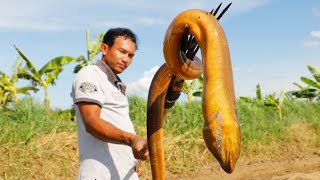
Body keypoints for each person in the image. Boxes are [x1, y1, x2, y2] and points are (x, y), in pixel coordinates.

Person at [71, 27, 149, 179]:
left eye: (130, 55)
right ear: (104, 48)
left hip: (123, 173)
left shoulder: (115, 84)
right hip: (100, 174)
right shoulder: (90, 74)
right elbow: (92, 122)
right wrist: (132, 139)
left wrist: (131, 161)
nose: (126, 59)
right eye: (122, 51)